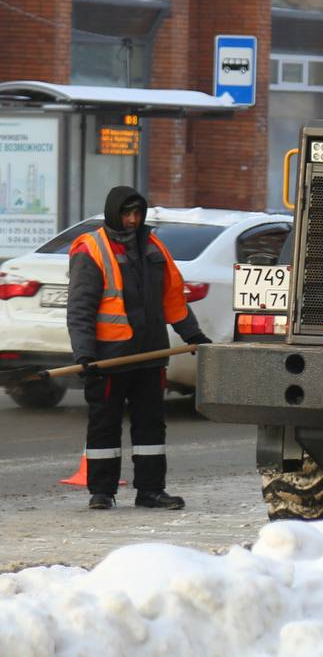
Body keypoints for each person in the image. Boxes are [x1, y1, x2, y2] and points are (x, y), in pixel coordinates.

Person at [66, 186, 211, 510]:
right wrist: (85, 354)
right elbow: (80, 309)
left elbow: (172, 299)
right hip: (108, 358)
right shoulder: (91, 249)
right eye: (126, 214)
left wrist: (193, 335)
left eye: (137, 214)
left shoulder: (152, 245)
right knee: (104, 425)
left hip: (149, 355)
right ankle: (102, 492)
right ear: (113, 213)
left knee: (150, 425)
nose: (132, 220)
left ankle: (151, 491)